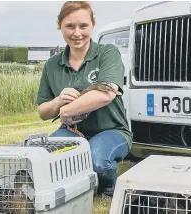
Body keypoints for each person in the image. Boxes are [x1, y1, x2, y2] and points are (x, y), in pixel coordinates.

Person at [35, 1, 132, 198]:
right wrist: (57, 102)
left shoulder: (107, 53)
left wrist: (66, 111)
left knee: (97, 161)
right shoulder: (52, 65)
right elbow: (42, 112)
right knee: (44, 160)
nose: (77, 33)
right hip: (71, 131)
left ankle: (108, 186)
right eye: (70, 26)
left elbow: (106, 93)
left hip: (111, 129)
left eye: (83, 26)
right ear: (59, 26)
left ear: (93, 24)